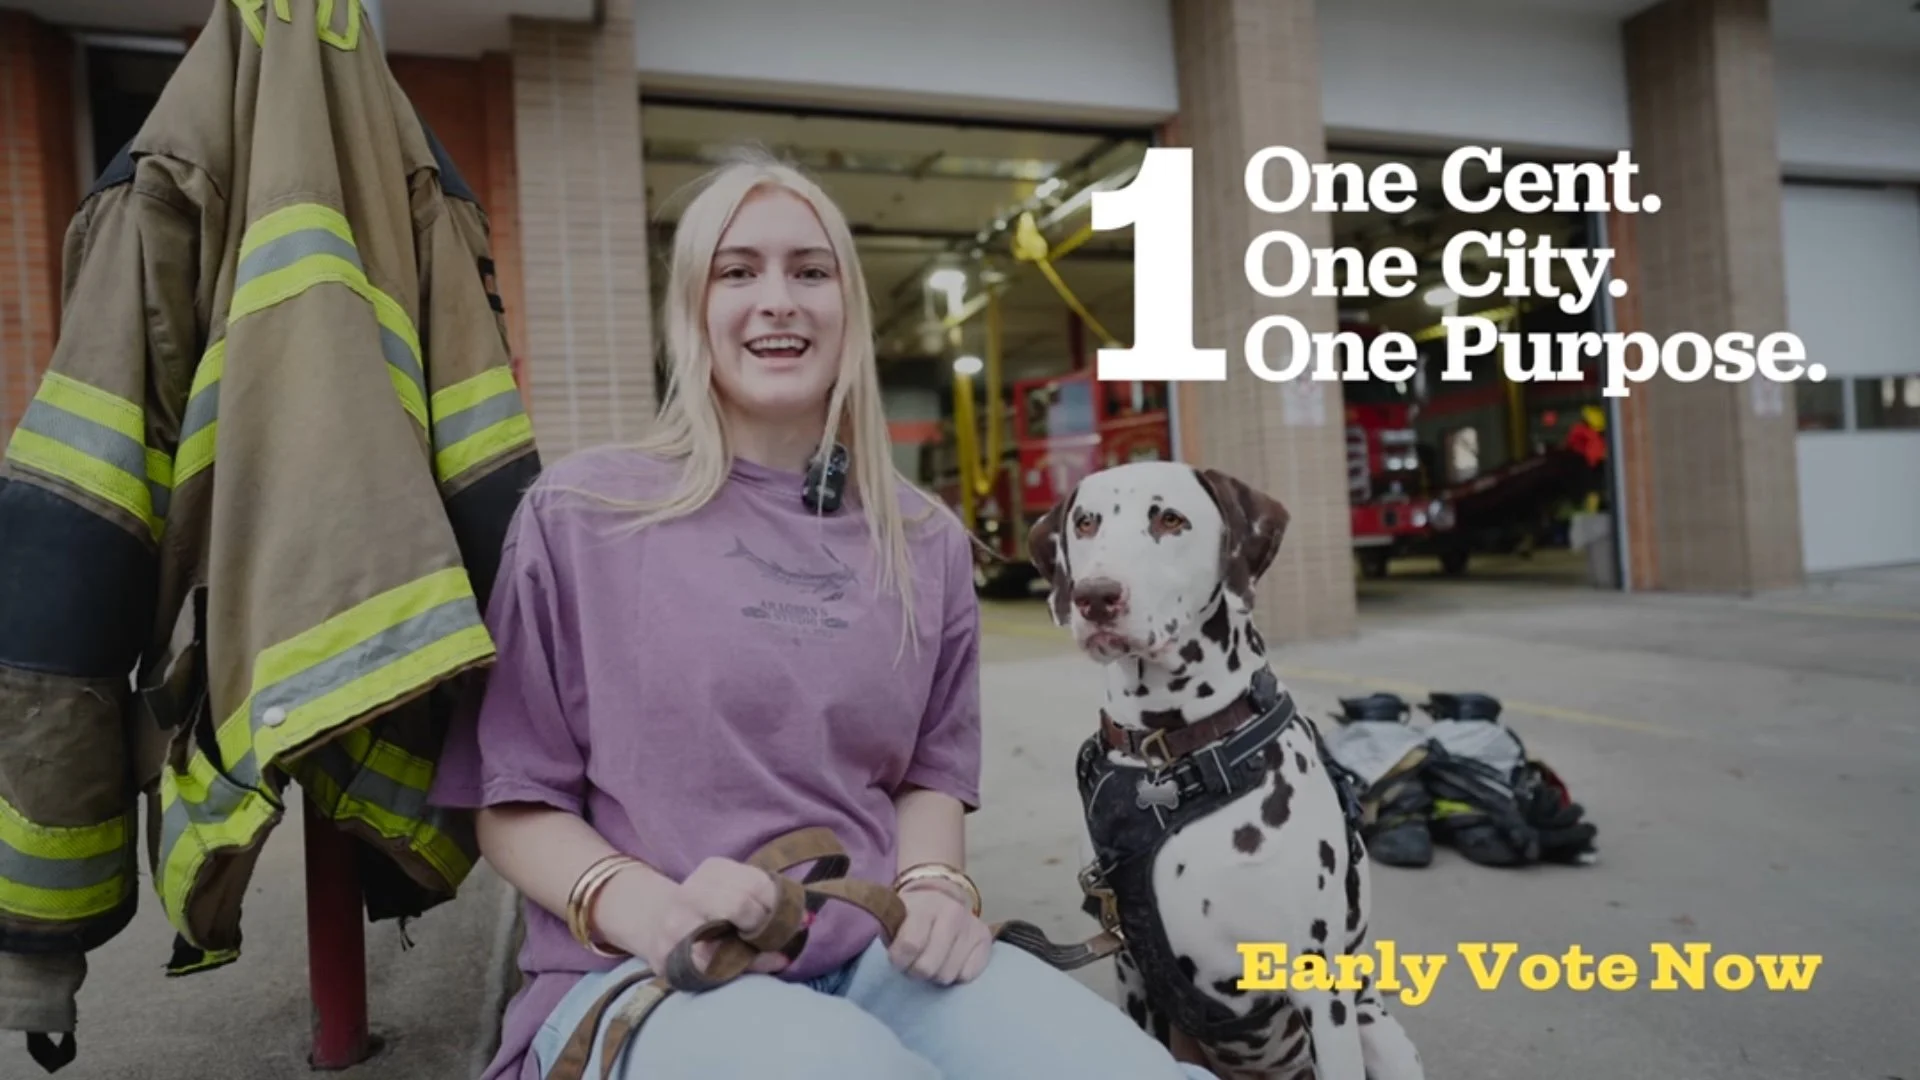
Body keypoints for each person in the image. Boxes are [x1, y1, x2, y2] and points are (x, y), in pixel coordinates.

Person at [427, 147, 1217, 1080]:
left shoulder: (921, 539)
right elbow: (515, 804)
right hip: (647, 977)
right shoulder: (583, 514)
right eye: (737, 270)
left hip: (873, 957)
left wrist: (932, 888)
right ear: (692, 307)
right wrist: (653, 908)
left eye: (811, 270)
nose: (778, 299)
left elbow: (927, 772)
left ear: (849, 310)